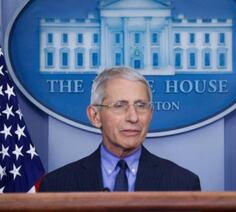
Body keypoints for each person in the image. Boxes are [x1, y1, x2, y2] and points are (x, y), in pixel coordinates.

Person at [40, 67, 201, 192]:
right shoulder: (56, 185)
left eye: (141, 106)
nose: (133, 117)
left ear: (150, 114)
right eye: (119, 106)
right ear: (95, 116)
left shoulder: (183, 183)